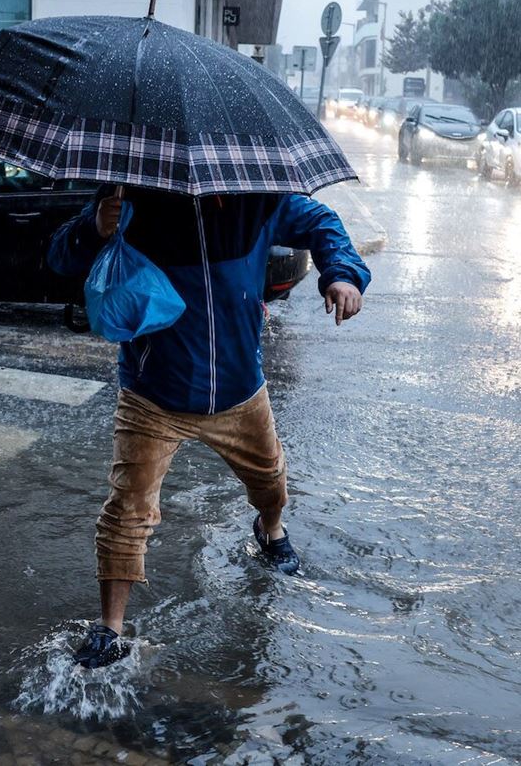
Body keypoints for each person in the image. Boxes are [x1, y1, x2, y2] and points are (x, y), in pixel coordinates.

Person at [47, 185, 371, 669]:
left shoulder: (256, 197)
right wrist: (95, 227)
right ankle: (110, 629)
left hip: (240, 389)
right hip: (153, 391)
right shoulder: (129, 192)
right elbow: (60, 256)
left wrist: (342, 274)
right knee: (127, 511)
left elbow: (321, 221)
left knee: (270, 481)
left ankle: (271, 527)